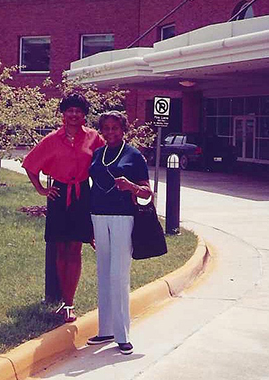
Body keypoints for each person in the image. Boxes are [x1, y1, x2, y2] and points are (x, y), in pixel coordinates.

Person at [22, 92, 104, 323]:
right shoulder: (51, 139)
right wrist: (41, 189)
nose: (74, 115)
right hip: (58, 194)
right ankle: (61, 299)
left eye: (78, 111)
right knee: (60, 249)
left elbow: (105, 160)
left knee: (75, 248)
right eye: (70, 110)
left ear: (84, 115)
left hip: (82, 194)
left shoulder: (93, 138)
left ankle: (69, 303)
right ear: (63, 114)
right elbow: (30, 164)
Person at [87, 110, 152, 355]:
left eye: (115, 128)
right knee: (103, 273)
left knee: (118, 274)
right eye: (106, 128)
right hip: (98, 216)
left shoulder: (134, 155)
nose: (110, 132)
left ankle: (122, 335)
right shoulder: (97, 154)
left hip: (123, 218)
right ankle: (105, 330)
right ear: (101, 131)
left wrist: (131, 187)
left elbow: (147, 193)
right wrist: (89, 225)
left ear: (123, 129)